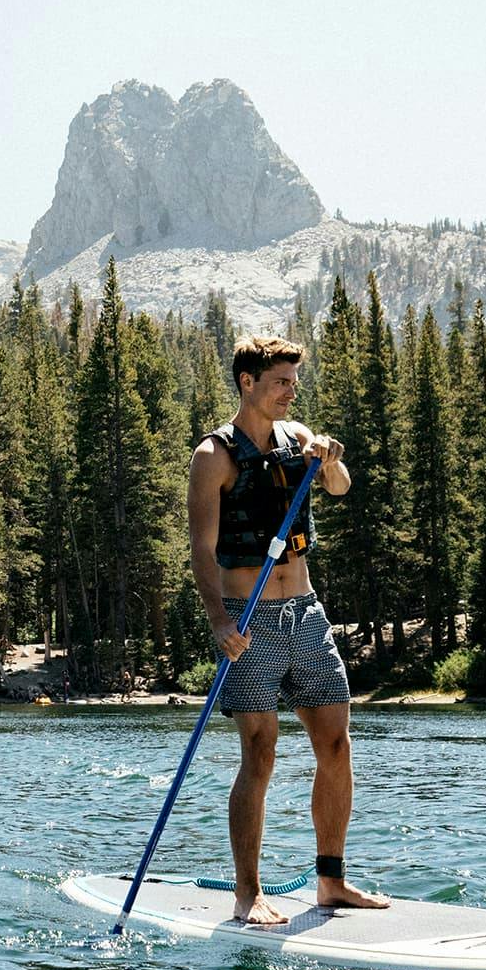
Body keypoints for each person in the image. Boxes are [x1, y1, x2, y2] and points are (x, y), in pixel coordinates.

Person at [187, 334, 388, 925]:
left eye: (294, 382)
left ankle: (332, 882)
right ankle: (248, 894)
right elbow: (201, 549)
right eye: (280, 381)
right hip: (248, 618)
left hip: (305, 611)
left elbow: (340, 486)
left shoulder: (299, 439)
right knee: (260, 751)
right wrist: (218, 619)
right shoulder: (213, 457)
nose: (290, 390)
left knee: (335, 742)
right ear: (247, 383)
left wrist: (328, 459)